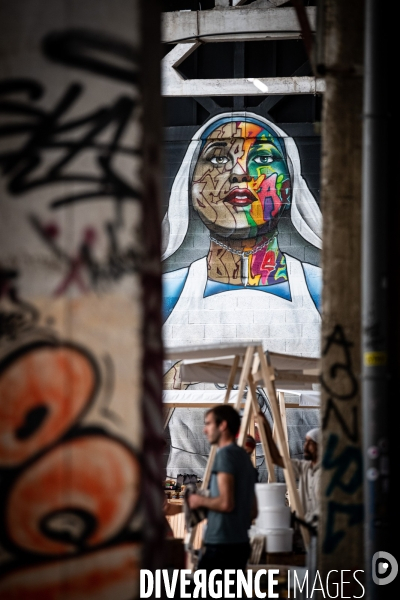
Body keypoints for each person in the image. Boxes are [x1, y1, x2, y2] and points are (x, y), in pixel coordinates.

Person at [162, 112, 322, 478]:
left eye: (263, 157)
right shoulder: (165, 296)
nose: (239, 172)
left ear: (290, 183)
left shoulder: (321, 291)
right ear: (189, 185)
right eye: (218, 157)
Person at [188, 405, 257, 574]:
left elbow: (226, 503)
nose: (205, 430)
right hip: (240, 544)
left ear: (223, 425)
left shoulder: (225, 455)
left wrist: (198, 500)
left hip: (221, 545)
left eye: (208, 424)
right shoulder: (245, 459)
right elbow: (253, 511)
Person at [256, 413, 320, 524]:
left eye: (310, 443)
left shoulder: (329, 472)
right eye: (305, 441)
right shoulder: (304, 467)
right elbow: (275, 458)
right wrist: (265, 427)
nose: (305, 446)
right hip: (306, 528)